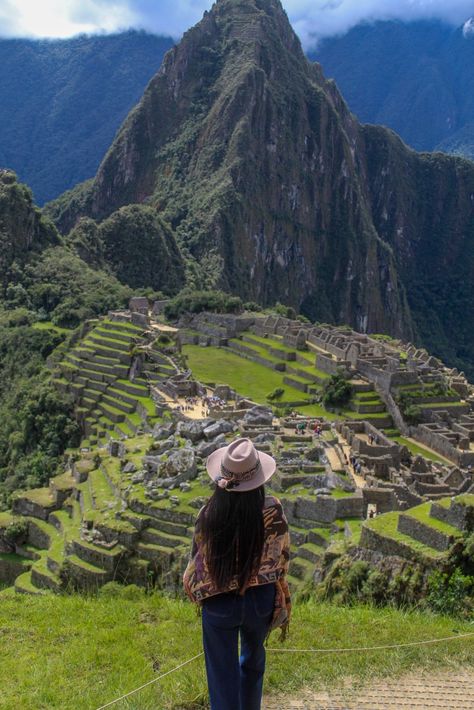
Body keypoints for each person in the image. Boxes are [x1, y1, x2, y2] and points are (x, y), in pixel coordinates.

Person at [183, 438, 291, 710]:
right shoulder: (273, 510)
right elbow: (282, 555)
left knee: (222, 675)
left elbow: (198, 565)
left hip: (219, 601)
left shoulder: (209, 514)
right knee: (254, 663)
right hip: (260, 599)